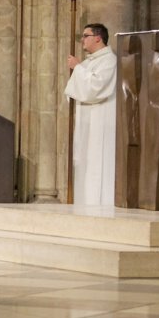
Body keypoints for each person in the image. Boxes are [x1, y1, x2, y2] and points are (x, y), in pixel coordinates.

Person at [65, 23, 117, 207]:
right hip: (86, 122)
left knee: (97, 163)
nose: (82, 40)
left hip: (100, 122)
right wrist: (80, 68)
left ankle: (98, 206)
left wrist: (78, 68)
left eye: (85, 36)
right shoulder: (89, 62)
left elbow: (96, 87)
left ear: (98, 37)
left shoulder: (109, 60)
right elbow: (73, 90)